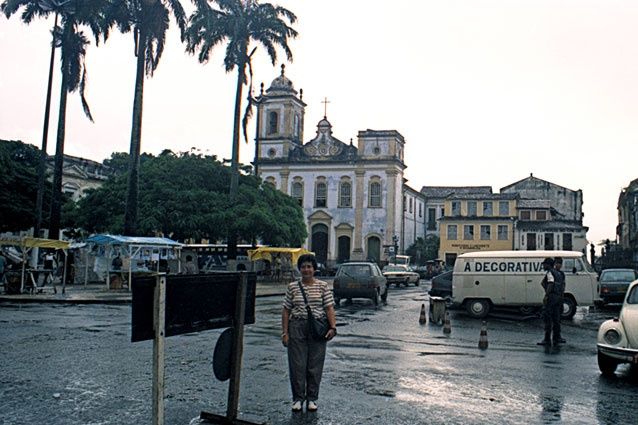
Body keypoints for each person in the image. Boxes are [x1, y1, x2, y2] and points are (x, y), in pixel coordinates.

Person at [281, 254, 337, 412]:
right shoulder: (292, 287)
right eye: (303, 267)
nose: (306, 270)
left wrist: (333, 327)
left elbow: (329, 308)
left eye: (309, 267)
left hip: (318, 328)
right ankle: (298, 398)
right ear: (300, 269)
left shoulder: (323, 286)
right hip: (297, 326)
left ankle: (312, 398)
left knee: (315, 365)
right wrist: (285, 332)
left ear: (314, 269)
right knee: (297, 364)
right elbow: (286, 310)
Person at [538, 257, 563, 346]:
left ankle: (547, 339)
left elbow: (550, 283)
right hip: (557, 298)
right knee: (556, 318)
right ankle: (556, 338)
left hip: (551, 298)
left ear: (548, 265)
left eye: (545, 264)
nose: (543, 266)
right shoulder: (558, 274)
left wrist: (547, 295)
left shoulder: (550, 273)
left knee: (547, 318)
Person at [553, 257, 567, 343]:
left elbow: (563, 284)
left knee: (558, 319)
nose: (558, 265)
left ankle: (557, 336)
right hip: (555, 297)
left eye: (560, 264)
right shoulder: (553, 273)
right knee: (555, 319)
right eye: (557, 263)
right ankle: (555, 337)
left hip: (559, 297)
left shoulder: (561, 274)